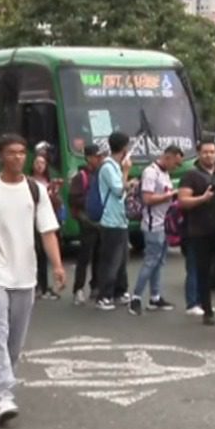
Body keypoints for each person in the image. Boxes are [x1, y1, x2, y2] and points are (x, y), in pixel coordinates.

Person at [0, 135, 67, 425]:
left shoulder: (36, 191)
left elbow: (47, 231)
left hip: (26, 274)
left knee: (15, 339)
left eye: (22, 153)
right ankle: (3, 395)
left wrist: (57, 266)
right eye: (12, 153)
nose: (18, 158)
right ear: (1, 156)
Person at [132, 144, 184, 311]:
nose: (176, 167)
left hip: (164, 223)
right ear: (167, 157)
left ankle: (155, 297)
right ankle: (136, 297)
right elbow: (147, 199)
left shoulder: (165, 173)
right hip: (153, 224)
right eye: (175, 163)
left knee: (159, 262)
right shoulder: (151, 172)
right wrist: (170, 195)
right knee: (150, 261)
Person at [179, 140, 215, 326]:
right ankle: (200, 306)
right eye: (205, 152)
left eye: (212, 152)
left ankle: (210, 304)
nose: (209, 155)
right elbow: (183, 201)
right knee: (200, 270)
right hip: (198, 230)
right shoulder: (191, 175)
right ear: (199, 153)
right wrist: (203, 198)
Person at [93, 132, 133, 310]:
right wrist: (127, 173)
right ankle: (104, 295)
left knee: (122, 257)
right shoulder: (108, 166)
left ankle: (119, 291)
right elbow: (118, 190)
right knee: (111, 259)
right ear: (124, 147)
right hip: (110, 220)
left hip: (120, 218)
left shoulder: (115, 165)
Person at [69, 144, 106, 305]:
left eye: (101, 156)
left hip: (101, 220)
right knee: (85, 256)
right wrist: (92, 200)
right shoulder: (81, 176)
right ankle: (78, 289)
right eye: (97, 156)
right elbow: (73, 199)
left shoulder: (102, 174)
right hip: (87, 221)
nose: (100, 159)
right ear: (89, 158)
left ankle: (96, 286)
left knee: (99, 255)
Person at [31, 148, 65, 301]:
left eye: (42, 163)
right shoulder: (29, 181)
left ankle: (44, 286)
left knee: (46, 253)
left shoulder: (49, 181)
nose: (40, 166)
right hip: (32, 222)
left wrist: (55, 192)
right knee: (37, 254)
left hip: (48, 220)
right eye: (37, 162)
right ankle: (38, 285)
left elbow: (57, 204)